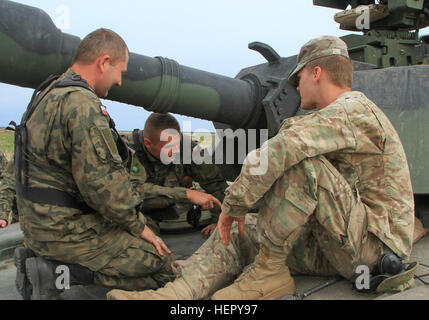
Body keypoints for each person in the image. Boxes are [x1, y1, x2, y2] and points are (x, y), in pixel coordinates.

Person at [107, 36, 416, 300]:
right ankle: (177, 293)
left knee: (301, 163)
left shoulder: (351, 111)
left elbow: (279, 150)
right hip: (339, 242)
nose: (297, 86)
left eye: (299, 79)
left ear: (317, 72)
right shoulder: (336, 117)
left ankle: (268, 274)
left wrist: (233, 205)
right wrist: (239, 215)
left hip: (373, 251)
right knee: (242, 232)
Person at [13, 28, 185, 300]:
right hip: (66, 231)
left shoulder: (47, 92)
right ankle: (53, 275)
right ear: (104, 62)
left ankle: (52, 265)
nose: (119, 82)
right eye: (120, 71)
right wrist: (140, 228)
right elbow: (104, 189)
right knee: (162, 264)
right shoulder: (82, 105)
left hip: (38, 226)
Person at [121, 113, 228, 237]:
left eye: (178, 143)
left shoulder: (187, 148)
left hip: (174, 210)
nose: (177, 150)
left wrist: (220, 220)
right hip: (137, 213)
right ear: (148, 144)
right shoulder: (126, 152)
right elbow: (129, 193)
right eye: (170, 146)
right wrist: (186, 194)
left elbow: (215, 183)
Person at [0, 154, 18, 228]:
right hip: (23, 223)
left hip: (55, 221)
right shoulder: (24, 150)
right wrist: (2, 215)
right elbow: (8, 185)